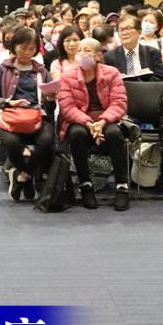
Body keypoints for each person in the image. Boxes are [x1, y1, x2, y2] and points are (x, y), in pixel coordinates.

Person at [58, 38, 131, 211]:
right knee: (77, 134)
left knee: (114, 134)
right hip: (80, 120)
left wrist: (103, 121)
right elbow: (67, 108)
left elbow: (119, 103)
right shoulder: (67, 77)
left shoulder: (112, 73)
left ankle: (122, 186)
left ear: (98, 56)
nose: (81, 54)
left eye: (87, 50)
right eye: (79, 50)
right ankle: (86, 185)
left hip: (107, 119)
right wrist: (89, 123)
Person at [0, 27, 53, 202]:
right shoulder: (4, 69)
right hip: (9, 116)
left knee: (46, 140)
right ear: (14, 46)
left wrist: (50, 98)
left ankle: (22, 175)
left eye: (31, 49)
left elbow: (49, 103)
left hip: (36, 116)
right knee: (12, 142)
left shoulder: (41, 71)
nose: (27, 52)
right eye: (23, 48)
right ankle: (27, 177)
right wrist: (8, 102)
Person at [104, 15, 163, 80]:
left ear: (139, 32)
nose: (124, 33)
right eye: (121, 30)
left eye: (128, 28)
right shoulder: (109, 57)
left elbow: (160, 78)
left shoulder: (152, 53)